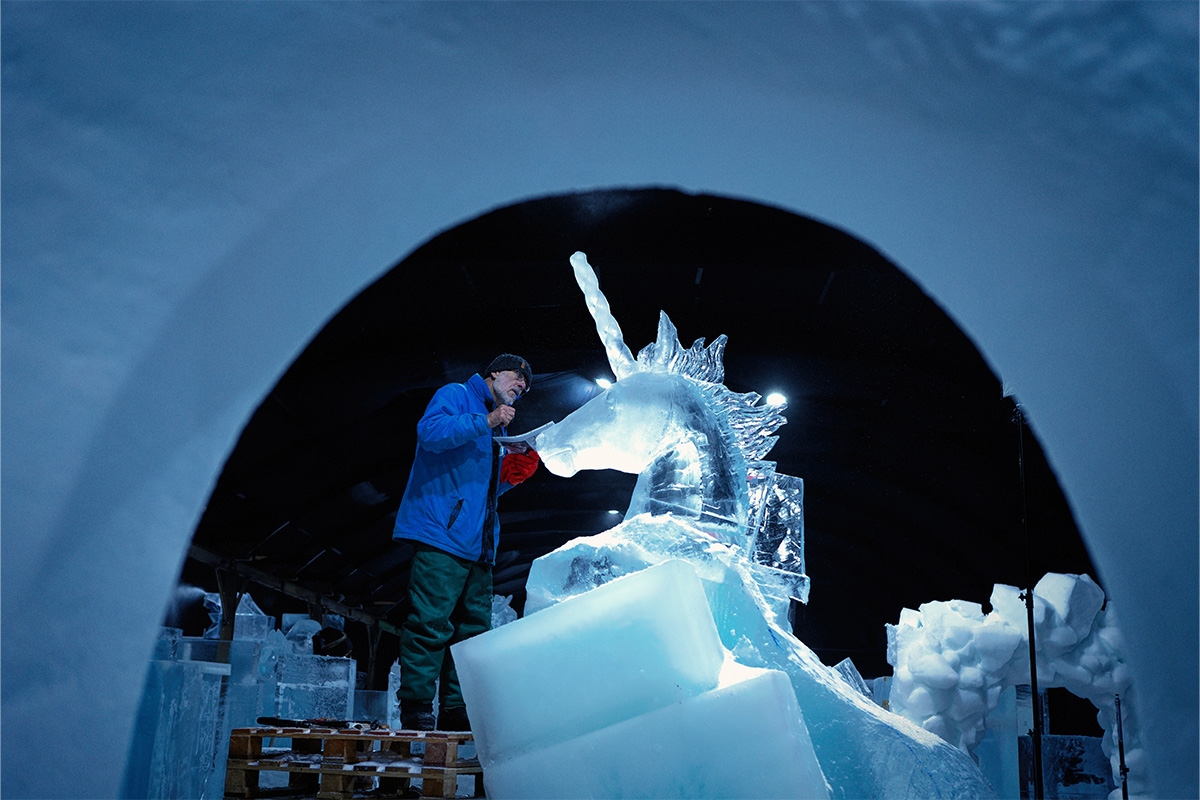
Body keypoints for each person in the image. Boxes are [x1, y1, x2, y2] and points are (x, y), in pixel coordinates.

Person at [392, 354, 541, 731]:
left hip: (479, 545)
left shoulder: (492, 430)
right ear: (493, 373)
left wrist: (512, 473)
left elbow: (478, 491)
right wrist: (487, 421)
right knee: (430, 622)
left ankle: (457, 708)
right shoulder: (456, 396)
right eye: (517, 376)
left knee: (472, 633)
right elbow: (430, 433)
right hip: (441, 535)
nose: (521, 385)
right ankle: (417, 707)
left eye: (525, 384)